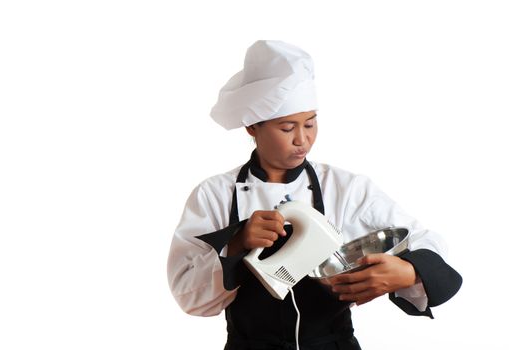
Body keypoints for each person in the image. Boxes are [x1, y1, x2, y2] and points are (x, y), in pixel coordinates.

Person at [167, 40, 462, 350]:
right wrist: (238, 243)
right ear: (253, 127)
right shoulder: (214, 194)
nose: (302, 139)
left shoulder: (347, 189)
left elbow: (426, 241)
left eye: (310, 123)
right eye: (286, 128)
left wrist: (410, 271)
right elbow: (188, 294)